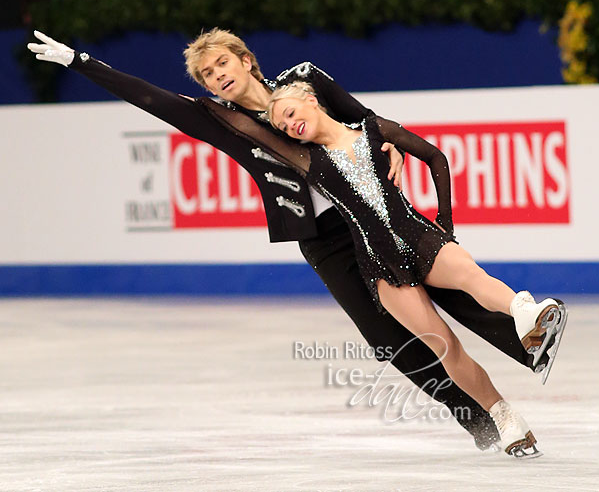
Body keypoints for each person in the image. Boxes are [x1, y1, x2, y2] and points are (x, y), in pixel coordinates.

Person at [27, 29, 565, 455]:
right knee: (393, 335)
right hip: (324, 240)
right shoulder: (223, 121)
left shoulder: (304, 82)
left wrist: (392, 147)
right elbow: (152, 98)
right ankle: (481, 417)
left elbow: (360, 118)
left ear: (245, 60)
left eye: (222, 65)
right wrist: (81, 62)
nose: (217, 78)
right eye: (208, 75)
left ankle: (529, 337)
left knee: (455, 284)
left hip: (373, 208)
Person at [266, 80, 568, 456]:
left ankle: (528, 313)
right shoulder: (308, 160)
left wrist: (446, 220)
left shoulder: (375, 129)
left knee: (473, 278)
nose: (289, 125)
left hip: (419, 235)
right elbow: (243, 129)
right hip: (379, 264)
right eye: (281, 126)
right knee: (444, 346)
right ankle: (504, 417)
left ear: (311, 100)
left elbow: (435, 157)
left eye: (291, 113)